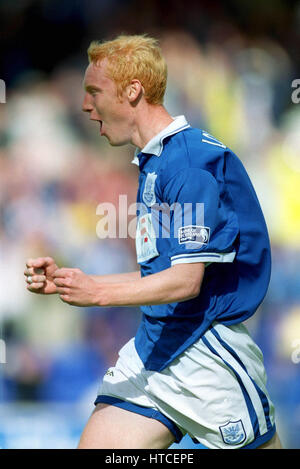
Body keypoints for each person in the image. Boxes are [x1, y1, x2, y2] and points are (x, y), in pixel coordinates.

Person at [24, 34, 282, 449]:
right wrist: (81, 283)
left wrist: (97, 294)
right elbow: (161, 275)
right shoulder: (158, 162)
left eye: (94, 92)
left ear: (132, 91)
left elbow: (186, 282)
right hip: (156, 346)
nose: (86, 106)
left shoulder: (189, 161)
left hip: (206, 351)